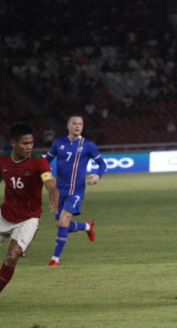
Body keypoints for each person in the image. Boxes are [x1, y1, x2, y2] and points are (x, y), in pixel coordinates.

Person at [0, 123, 59, 311]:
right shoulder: (2, 160)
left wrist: (54, 199)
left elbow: (50, 184)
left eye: (32, 143)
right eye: (25, 143)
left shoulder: (39, 161)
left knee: (11, 256)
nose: (30, 147)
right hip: (4, 215)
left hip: (28, 218)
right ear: (14, 143)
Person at [45, 114, 106, 266]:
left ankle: (55, 259)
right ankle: (87, 226)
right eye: (74, 124)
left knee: (64, 219)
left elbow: (102, 164)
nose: (77, 126)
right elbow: (45, 162)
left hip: (76, 191)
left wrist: (98, 176)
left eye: (80, 124)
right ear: (68, 126)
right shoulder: (59, 143)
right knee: (61, 224)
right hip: (59, 191)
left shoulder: (88, 145)